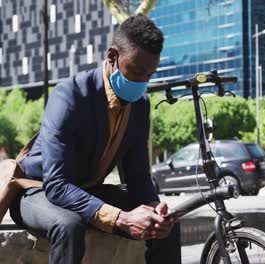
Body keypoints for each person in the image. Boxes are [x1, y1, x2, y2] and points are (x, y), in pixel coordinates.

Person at [9, 14, 181, 264]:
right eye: (136, 71)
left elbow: (138, 176)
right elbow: (57, 185)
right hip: (36, 190)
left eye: (150, 74)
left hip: (86, 190)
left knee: (167, 225)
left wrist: (155, 208)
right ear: (112, 56)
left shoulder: (140, 105)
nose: (143, 81)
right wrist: (122, 218)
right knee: (68, 225)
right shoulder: (69, 96)